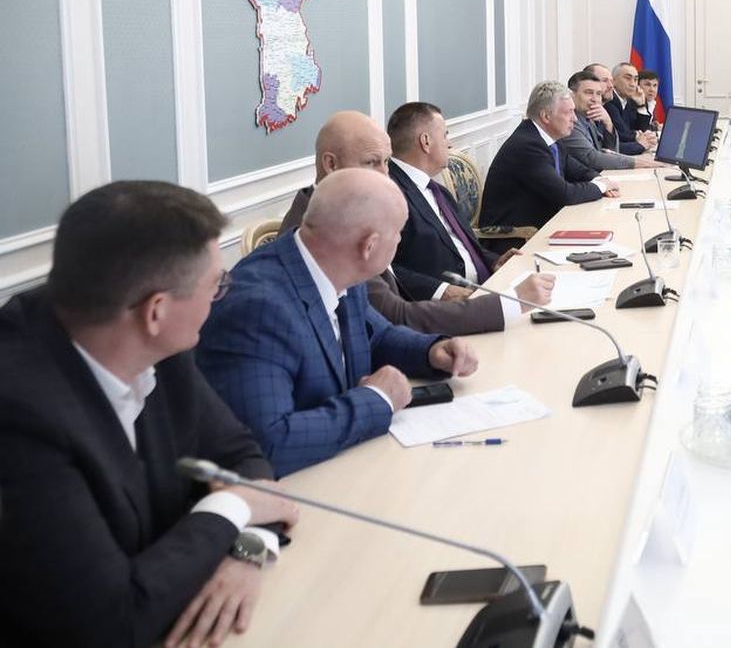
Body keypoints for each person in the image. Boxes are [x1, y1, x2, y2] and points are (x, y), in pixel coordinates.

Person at [0, 181, 301, 647]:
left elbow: (241, 456)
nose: (220, 296)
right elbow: (112, 622)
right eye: (216, 286)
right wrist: (232, 508)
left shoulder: (148, 341)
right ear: (155, 312)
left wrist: (247, 550)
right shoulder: (21, 417)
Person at [199, 170, 479, 476]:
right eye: (398, 233)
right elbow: (268, 444)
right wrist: (377, 400)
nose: (400, 240)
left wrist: (431, 351)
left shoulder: (338, 265)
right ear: (369, 246)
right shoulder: (258, 308)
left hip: (348, 465)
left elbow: (375, 336)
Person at [280, 111, 554, 335]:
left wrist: (431, 354)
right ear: (331, 164)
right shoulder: (318, 232)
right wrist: (507, 304)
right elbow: (394, 316)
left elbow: (382, 329)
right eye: (372, 162)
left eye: (386, 162)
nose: (385, 175)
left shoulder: (348, 211)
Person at [384, 102, 501, 304]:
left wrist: (494, 261)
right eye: (445, 135)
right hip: (443, 308)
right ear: (426, 141)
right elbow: (383, 269)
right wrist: (440, 290)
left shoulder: (438, 191)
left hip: (486, 288)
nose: (450, 144)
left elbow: (461, 245)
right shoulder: (388, 193)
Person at [480, 81, 622, 231]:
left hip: (546, 223)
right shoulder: (528, 146)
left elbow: (580, 171)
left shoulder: (551, 138)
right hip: (518, 236)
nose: (574, 118)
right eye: (568, 112)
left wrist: (600, 180)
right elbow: (565, 194)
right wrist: (601, 186)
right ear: (546, 116)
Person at [562, 70, 667, 172]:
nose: (594, 99)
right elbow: (592, 158)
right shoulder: (571, 121)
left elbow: (610, 151)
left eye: (598, 94)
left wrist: (608, 123)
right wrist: (640, 163)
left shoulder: (589, 117)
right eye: (588, 93)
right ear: (572, 95)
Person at [604, 62, 657, 155]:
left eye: (635, 80)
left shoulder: (629, 101)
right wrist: (637, 135)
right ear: (613, 81)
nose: (633, 84)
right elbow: (622, 133)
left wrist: (641, 106)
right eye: (628, 78)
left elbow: (642, 129)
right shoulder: (609, 101)